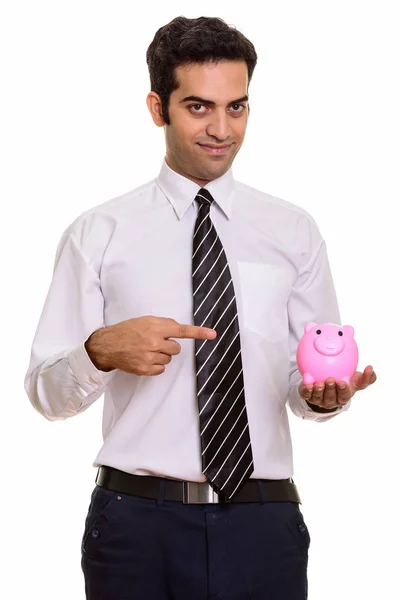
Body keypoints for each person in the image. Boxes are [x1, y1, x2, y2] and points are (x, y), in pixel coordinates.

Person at [24, 15, 377, 600]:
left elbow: (304, 382)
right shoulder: (99, 232)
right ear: (157, 108)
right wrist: (99, 351)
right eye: (198, 107)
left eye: (237, 107)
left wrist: (322, 397)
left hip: (263, 522)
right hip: (137, 525)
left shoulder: (293, 230)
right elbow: (45, 394)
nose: (221, 129)